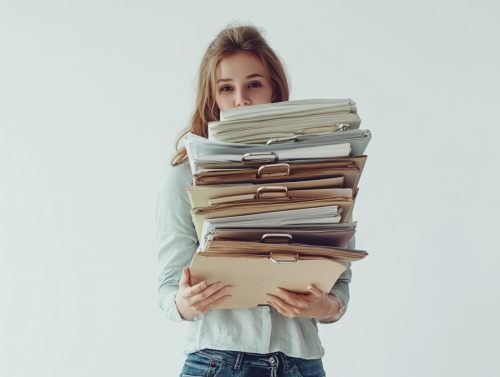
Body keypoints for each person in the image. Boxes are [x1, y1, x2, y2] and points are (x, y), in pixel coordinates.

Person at [156, 24, 353, 377]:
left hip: (301, 363)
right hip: (217, 362)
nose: (241, 99)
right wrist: (184, 302)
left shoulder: (320, 172)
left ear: (274, 89)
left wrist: (325, 307)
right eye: (226, 88)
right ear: (212, 97)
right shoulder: (185, 179)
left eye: (254, 84)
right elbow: (169, 287)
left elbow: (339, 284)